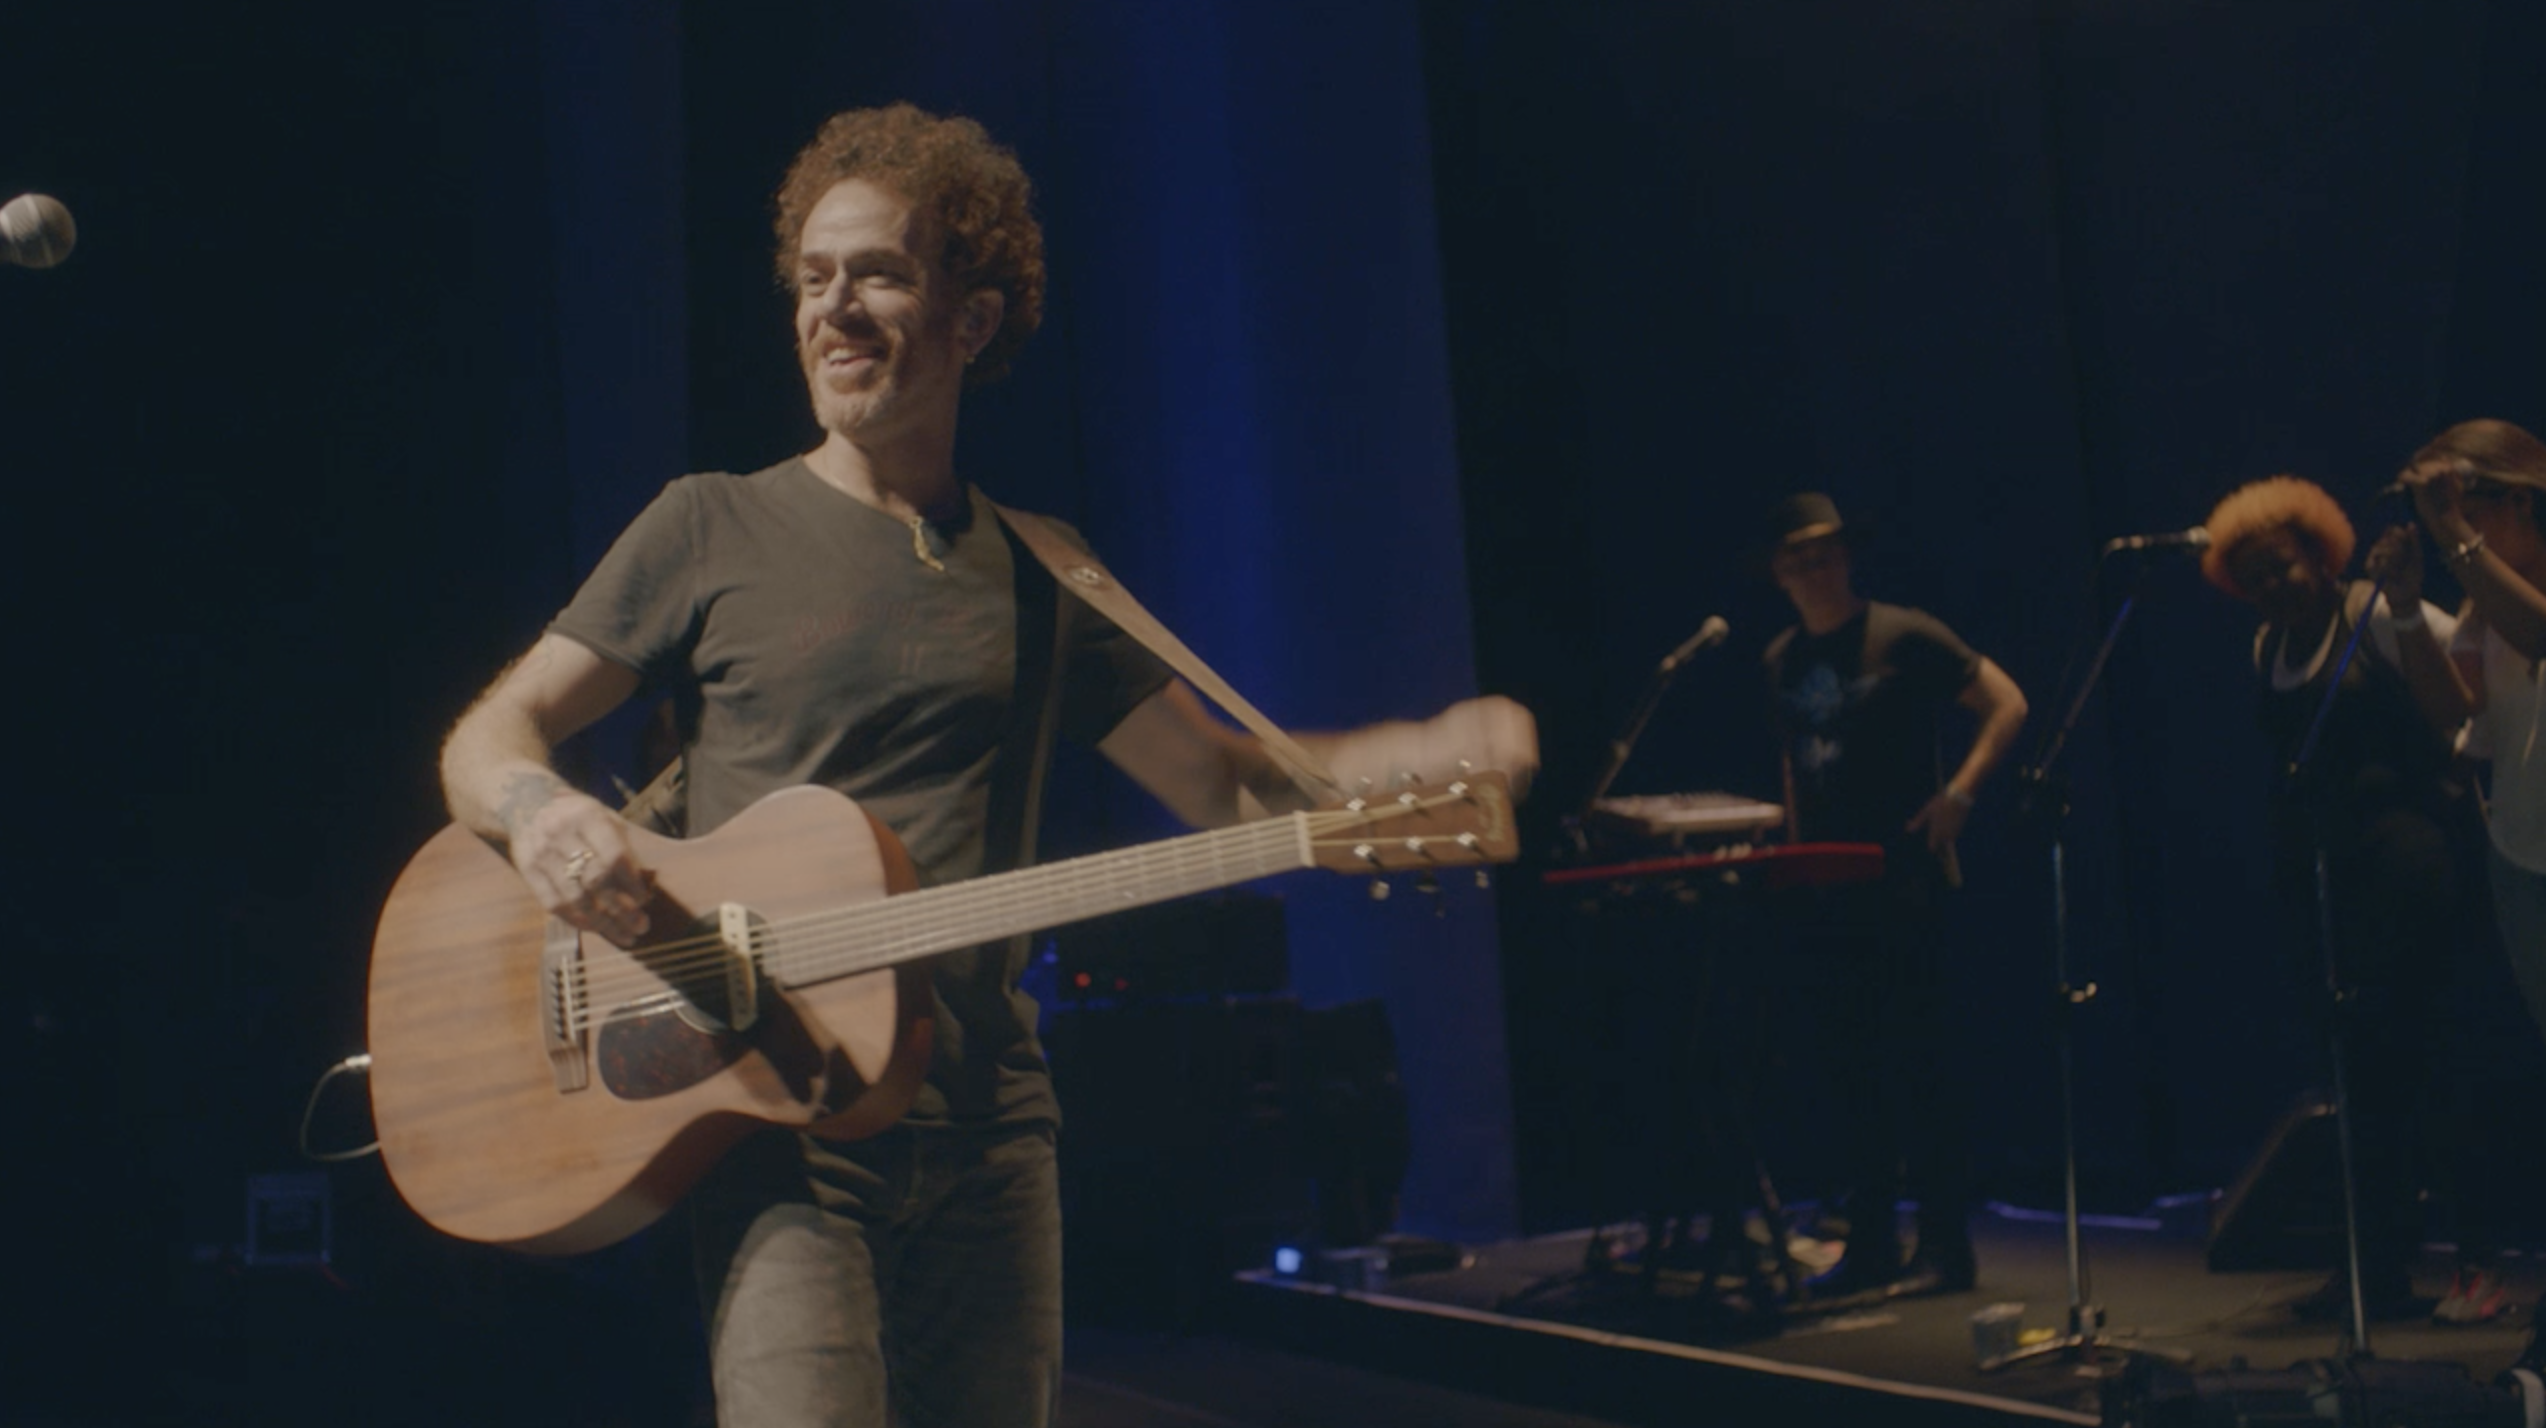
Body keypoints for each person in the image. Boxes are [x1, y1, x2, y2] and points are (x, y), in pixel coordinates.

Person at [436, 103, 1538, 1428]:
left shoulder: (1044, 573)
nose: (834, 310)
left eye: (878, 275)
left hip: (988, 1136)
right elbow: (486, 740)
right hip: (781, 1136)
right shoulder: (708, 525)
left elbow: (1218, 787)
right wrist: (541, 817)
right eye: (813, 279)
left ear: (973, 319)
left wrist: (1409, 759)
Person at [2200, 474, 2481, 1321]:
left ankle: (2475, 1262)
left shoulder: (2379, 617)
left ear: (2322, 556)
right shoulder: (2266, 649)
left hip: (2410, 867)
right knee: (2357, 1079)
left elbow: (2464, 710)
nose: (2272, 586)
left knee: (2424, 1065)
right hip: (2329, 883)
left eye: (2282, 565)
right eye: (2253, 577)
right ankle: (2373, 1267)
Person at [1761, 492, 2029, 1298]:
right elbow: (1794, 761)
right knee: (1852, 1075)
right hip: (1828, 892)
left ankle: (1946, 1246)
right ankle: (1871, 1243)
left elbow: (2006, 701)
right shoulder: (1781, 659)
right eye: (1797, 557)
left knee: (1920, 1067)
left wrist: (1961, 795)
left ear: (1847, 556)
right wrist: (1791, 855)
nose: (1813, 567)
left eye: (1825, 551)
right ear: (1778, 574)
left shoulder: (1902, 633)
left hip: (1904, 879)